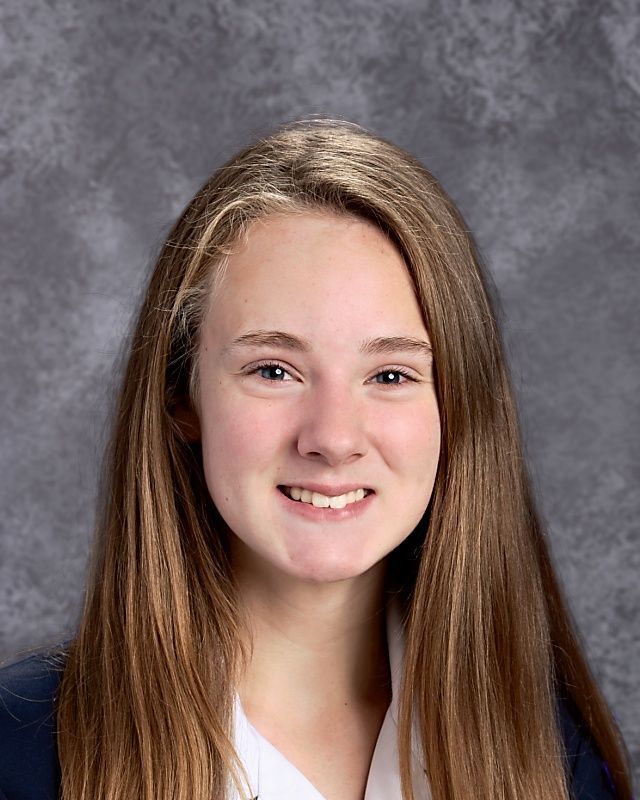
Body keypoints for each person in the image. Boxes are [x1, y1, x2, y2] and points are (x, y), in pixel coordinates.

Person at [0, 119, 632, 800]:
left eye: (391, 375)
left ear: (459, 409)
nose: (332, 438)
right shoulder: (23, 750)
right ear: (182, 395)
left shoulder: (553, 758)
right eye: (274, 370)